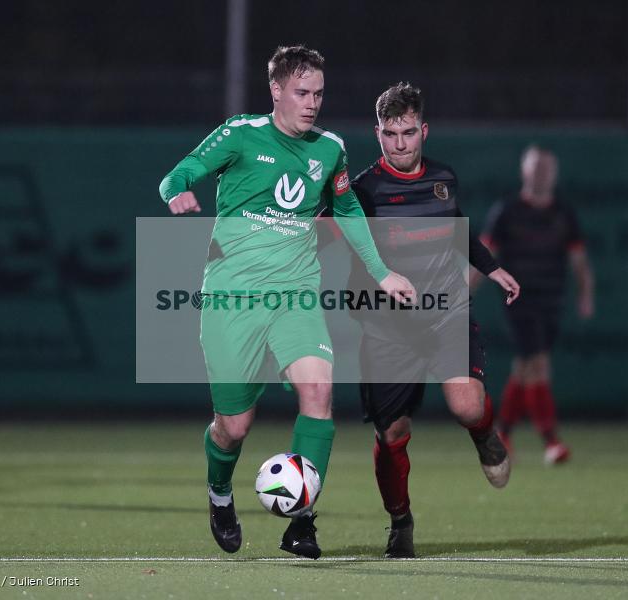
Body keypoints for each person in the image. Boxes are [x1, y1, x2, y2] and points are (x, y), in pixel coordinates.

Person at [158, 46, 414, 559]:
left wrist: (383, 272)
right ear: (275, 90)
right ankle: (219, 492)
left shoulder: (331, 150)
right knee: (234, 427)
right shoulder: (240, 134)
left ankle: (301, 523)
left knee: (317, 391)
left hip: (295, 296)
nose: (312, 103)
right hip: (233, 299)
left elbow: (346, 211)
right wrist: (177, 194)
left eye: (319, 93)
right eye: (302, 92)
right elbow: (177, 174)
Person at [332, 82, 519, 558]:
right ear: (377, 134)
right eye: (390, 134)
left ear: (424, 130)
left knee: (467, 407)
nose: (400, 143)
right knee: (391, 433)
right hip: (387, 328)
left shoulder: (444, 179)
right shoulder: (362, 192)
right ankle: (401, 522)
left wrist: (491, 266)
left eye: (409, 132)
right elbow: (330, 238)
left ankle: (485, 438)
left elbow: (458, 225)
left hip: (445, 315)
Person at [477, 146, 594, 465]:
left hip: (552, 300)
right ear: (524, 172)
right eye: (535, 167)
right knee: (539, 364)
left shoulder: (563, 213)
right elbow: (484, 257)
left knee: (526, 367)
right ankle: (551, 441)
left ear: (554, 174)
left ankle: (501, 434)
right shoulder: (508, 210)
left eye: (546, 168)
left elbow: (579, 260)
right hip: (519, 299)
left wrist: (585, 293)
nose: (541, 173)